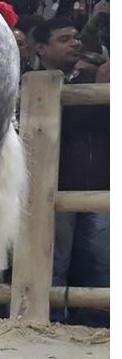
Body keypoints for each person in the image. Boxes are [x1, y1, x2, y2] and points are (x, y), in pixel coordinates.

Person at [30, 17, 110, 311]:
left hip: (101, 186)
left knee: (104, 260)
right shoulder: (27, 82)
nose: (74, 43)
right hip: (49, 187)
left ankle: (103, 321)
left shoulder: (92, 80)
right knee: (52, 259)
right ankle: (52, 320)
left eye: (76, 38)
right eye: (64, 39)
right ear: (41, 48)